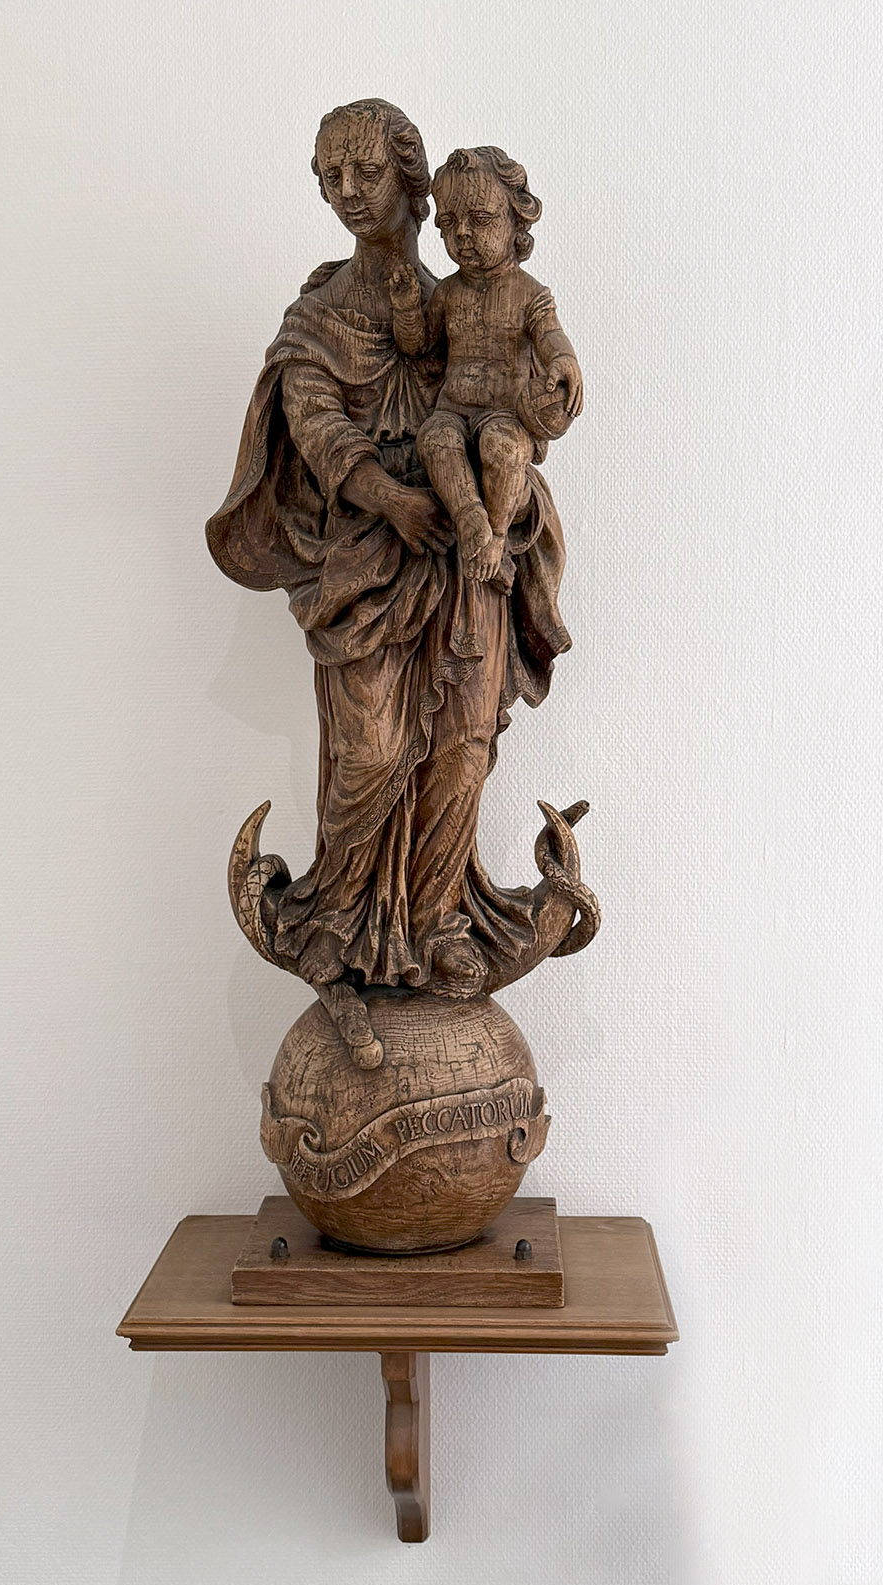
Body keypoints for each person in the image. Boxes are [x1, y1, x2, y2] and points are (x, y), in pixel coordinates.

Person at [206, 100, 571, 1001]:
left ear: (413, 183)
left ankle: (439, 923)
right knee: (369, 754)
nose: (348, 191)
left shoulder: (469, 302)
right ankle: (340, 922)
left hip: (468, 558)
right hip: (366, 563)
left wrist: (525, 430)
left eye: (367, 171)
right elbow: (317, 429)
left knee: (463, 743)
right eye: (331, 176)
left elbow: (522, 399)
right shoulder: (318, 317)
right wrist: (393, 499)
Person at [389, 146, 583, 587]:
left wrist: (564, 361)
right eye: (449, 223)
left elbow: (550, 335)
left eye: (479, 219)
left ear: (516, 221)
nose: (462, 234)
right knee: (435, 439)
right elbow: (418, 345)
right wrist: (405, 308)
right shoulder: (448, 292)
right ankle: (469, 516)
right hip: (454, 409)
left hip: (506, 414)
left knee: (503, 448)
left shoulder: (529, 294)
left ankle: (495, 536)